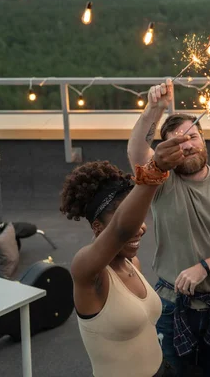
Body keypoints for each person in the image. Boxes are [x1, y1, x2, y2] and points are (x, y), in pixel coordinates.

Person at [127, 79, 210, 376]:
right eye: (179, 142)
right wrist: (153, 110)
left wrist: (204, 267)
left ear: (203, 139)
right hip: (171, 304)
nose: (188, 145)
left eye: (193, 136)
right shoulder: (162, 181)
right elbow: (137, 155)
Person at [60, 149, 187, 377]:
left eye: (142, 217)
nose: (141, 227)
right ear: (98, 226)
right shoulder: (88, 271)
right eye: (133, 219)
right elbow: (121, 229)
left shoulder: (132, 263)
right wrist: (154, 170)